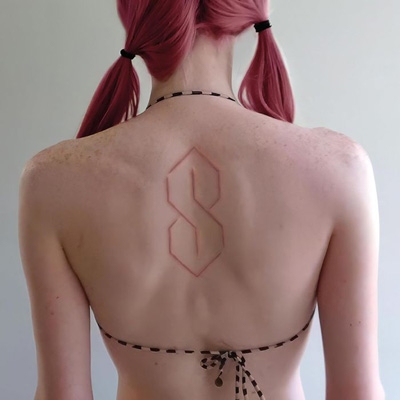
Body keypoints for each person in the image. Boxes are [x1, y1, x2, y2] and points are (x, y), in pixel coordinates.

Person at [18, 1, 385, 399]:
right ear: (248, 10)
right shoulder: (340, 169)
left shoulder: (52, 182)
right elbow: (358, 393)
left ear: (134, 15)